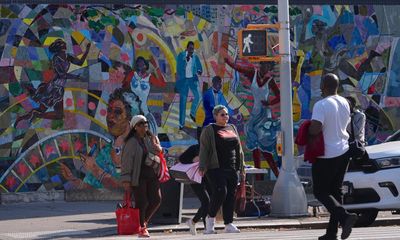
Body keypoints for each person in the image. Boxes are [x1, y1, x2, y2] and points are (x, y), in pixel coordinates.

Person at [308, 73, 358, 240]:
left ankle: (344, 217)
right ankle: (331, 233)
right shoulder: (344, 102)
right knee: (335, 193)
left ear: (324, 86)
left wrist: (306, 128)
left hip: (326, 154)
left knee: (320, 191)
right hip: (343, 151)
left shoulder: (321, 105)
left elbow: (315, 129)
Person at [14, 38, 91, 127]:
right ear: (59, 48)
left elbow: (80, 62)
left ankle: (23, 117)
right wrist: (76, 77)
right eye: (62, 44)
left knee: (43, 110)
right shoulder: (56, 59)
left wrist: (87, 51)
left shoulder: (67, 56)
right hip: (54, 88)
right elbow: (61, 74)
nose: (64, 46)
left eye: (63, 44)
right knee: (58, 115)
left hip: (60, 88)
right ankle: (35, 114)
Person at [225, 57, 280, 178]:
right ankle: (258, 177)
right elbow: (240, 69)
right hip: (255, 114)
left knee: (264, 147)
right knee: (254, 145)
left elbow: (279, 96)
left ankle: (277, 173)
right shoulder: (253, 73)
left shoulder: (270, 80)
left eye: (267, 66)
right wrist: (228, 62)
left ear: (269, 68)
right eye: (263, 65)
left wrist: (269, 103)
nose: (264, 68)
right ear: (260, 65)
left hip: (265, 115)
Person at [198, 105, 245, 234]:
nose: (226, 117)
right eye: (222, 115)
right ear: (215, 116)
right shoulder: (209, 129)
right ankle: (210, 222)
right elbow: (204, 149)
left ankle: (228, 223)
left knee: (230, 196)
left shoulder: (232, 128)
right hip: (215, 168)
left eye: (227, 114)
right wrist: (202, 166)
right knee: (220, 193)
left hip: (232, 168)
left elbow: (239, 149)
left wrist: (241, 167)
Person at [121, 115, 162, 238]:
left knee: (156, 200)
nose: (144, 125)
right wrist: (126, 180)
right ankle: (142, 228)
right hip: (138, 177)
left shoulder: (151, 138)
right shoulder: (131, 142)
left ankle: (143, 222)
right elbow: (126, 162)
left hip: (152, 175)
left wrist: (158, 148)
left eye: (145, 122)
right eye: (140, 123)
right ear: (135, 127)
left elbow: (159, 152)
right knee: (142, 202)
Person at [179, 137, 211, 235]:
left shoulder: (213, 149)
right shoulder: (195, 148)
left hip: (209, 178)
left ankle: (195, 223)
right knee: (206, 201)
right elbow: (182, 159)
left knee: (209, 202)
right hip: (196, 179)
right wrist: (193, 159)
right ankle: (205, 226)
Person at [175, 41, 203, 130]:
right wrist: (186, 60)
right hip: (183, 81)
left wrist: (199, 71)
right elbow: (178, 68)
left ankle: (192, 113)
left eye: (193, 49)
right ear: (187, 48)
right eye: (190, 48)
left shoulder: (195, 57)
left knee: (198, 96)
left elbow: (200, 67)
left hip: (192, 80)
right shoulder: (181, 55)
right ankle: (181, 124)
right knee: (183, 102)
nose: (192, 50)